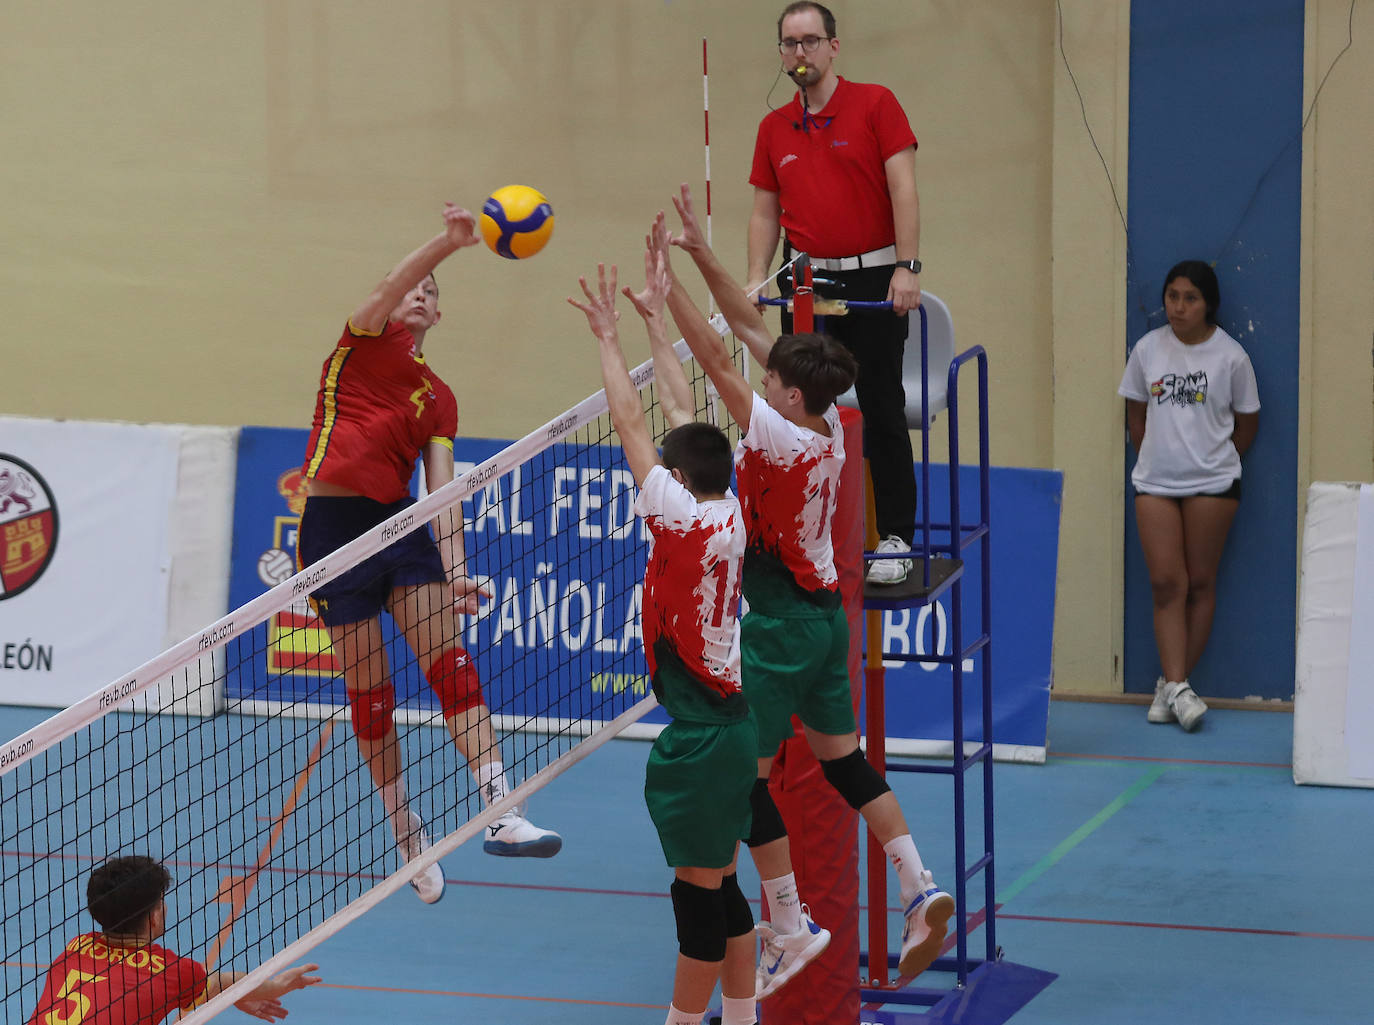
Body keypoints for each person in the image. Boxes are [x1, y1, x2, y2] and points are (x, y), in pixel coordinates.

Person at [663, 184, 953, 994]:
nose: (763, 365)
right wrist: (697, 248)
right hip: (830, 619)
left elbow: (719, 355)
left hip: (784, 626)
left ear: (788, 394)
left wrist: (664, 297)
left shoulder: (780, 435)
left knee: (744, 780)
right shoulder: (827, 425)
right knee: (844, 761)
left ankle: (789, 921)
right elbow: (750, 328)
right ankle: (916, 882)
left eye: (772, 376)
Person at [298, 202, 561, 905]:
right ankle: (404, 827)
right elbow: (393, 284)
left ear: (438, 320)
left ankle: (501, 809)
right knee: (372, 694)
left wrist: (458, 567)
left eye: (433, 293)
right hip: (332, 529)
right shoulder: (359, 340)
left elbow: (442, 492)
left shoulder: (439, 398)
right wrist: (446, 247)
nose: (420, 292)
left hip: (398, 526)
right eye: (414, 284)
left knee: (449, 662)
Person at [568, 233, 759, 1025]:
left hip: (702, 738)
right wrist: (656, 321)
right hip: (731, 725)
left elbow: (632, 423)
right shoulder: (727, 506)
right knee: (724, 885)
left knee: (697, 905)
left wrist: (610, 338)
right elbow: (681, 414)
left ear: (677, 481)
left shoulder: (679, 519)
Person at [746, 1, 923, 585]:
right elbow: (765, 211)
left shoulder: (876, 103)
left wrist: (907, 267)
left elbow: (904, 189)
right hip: (805, 284)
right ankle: (798, 534)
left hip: (874, 281)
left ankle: (896, 537)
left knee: (881, 405)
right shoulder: (774, 129)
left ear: (833, 46)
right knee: (795, 410)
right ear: (781, 53)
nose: (801, 53)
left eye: (810, 41)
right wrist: (755, 278)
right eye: (790, 44)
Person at [1119, 260, 1260, 731]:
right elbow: (1135, 416)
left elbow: (1248, 423)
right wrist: (1159, 457)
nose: (1178, 307)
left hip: (1214, 485)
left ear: (1208, 305)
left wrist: (1210, 460)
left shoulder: (1231, 357)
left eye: (1190, 298)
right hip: (1155, 484)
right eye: (1172, 296)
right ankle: (1178, 687)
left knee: (1200, 582)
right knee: (1166, 584)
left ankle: (1170, 686)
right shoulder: (1146, 351)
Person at [28, 855, 320, 1024]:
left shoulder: (75, 948)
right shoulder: (171, 971)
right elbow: (216, 984)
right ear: (154, 916)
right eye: (161, 901)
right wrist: (280, 985)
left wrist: (236, 994)